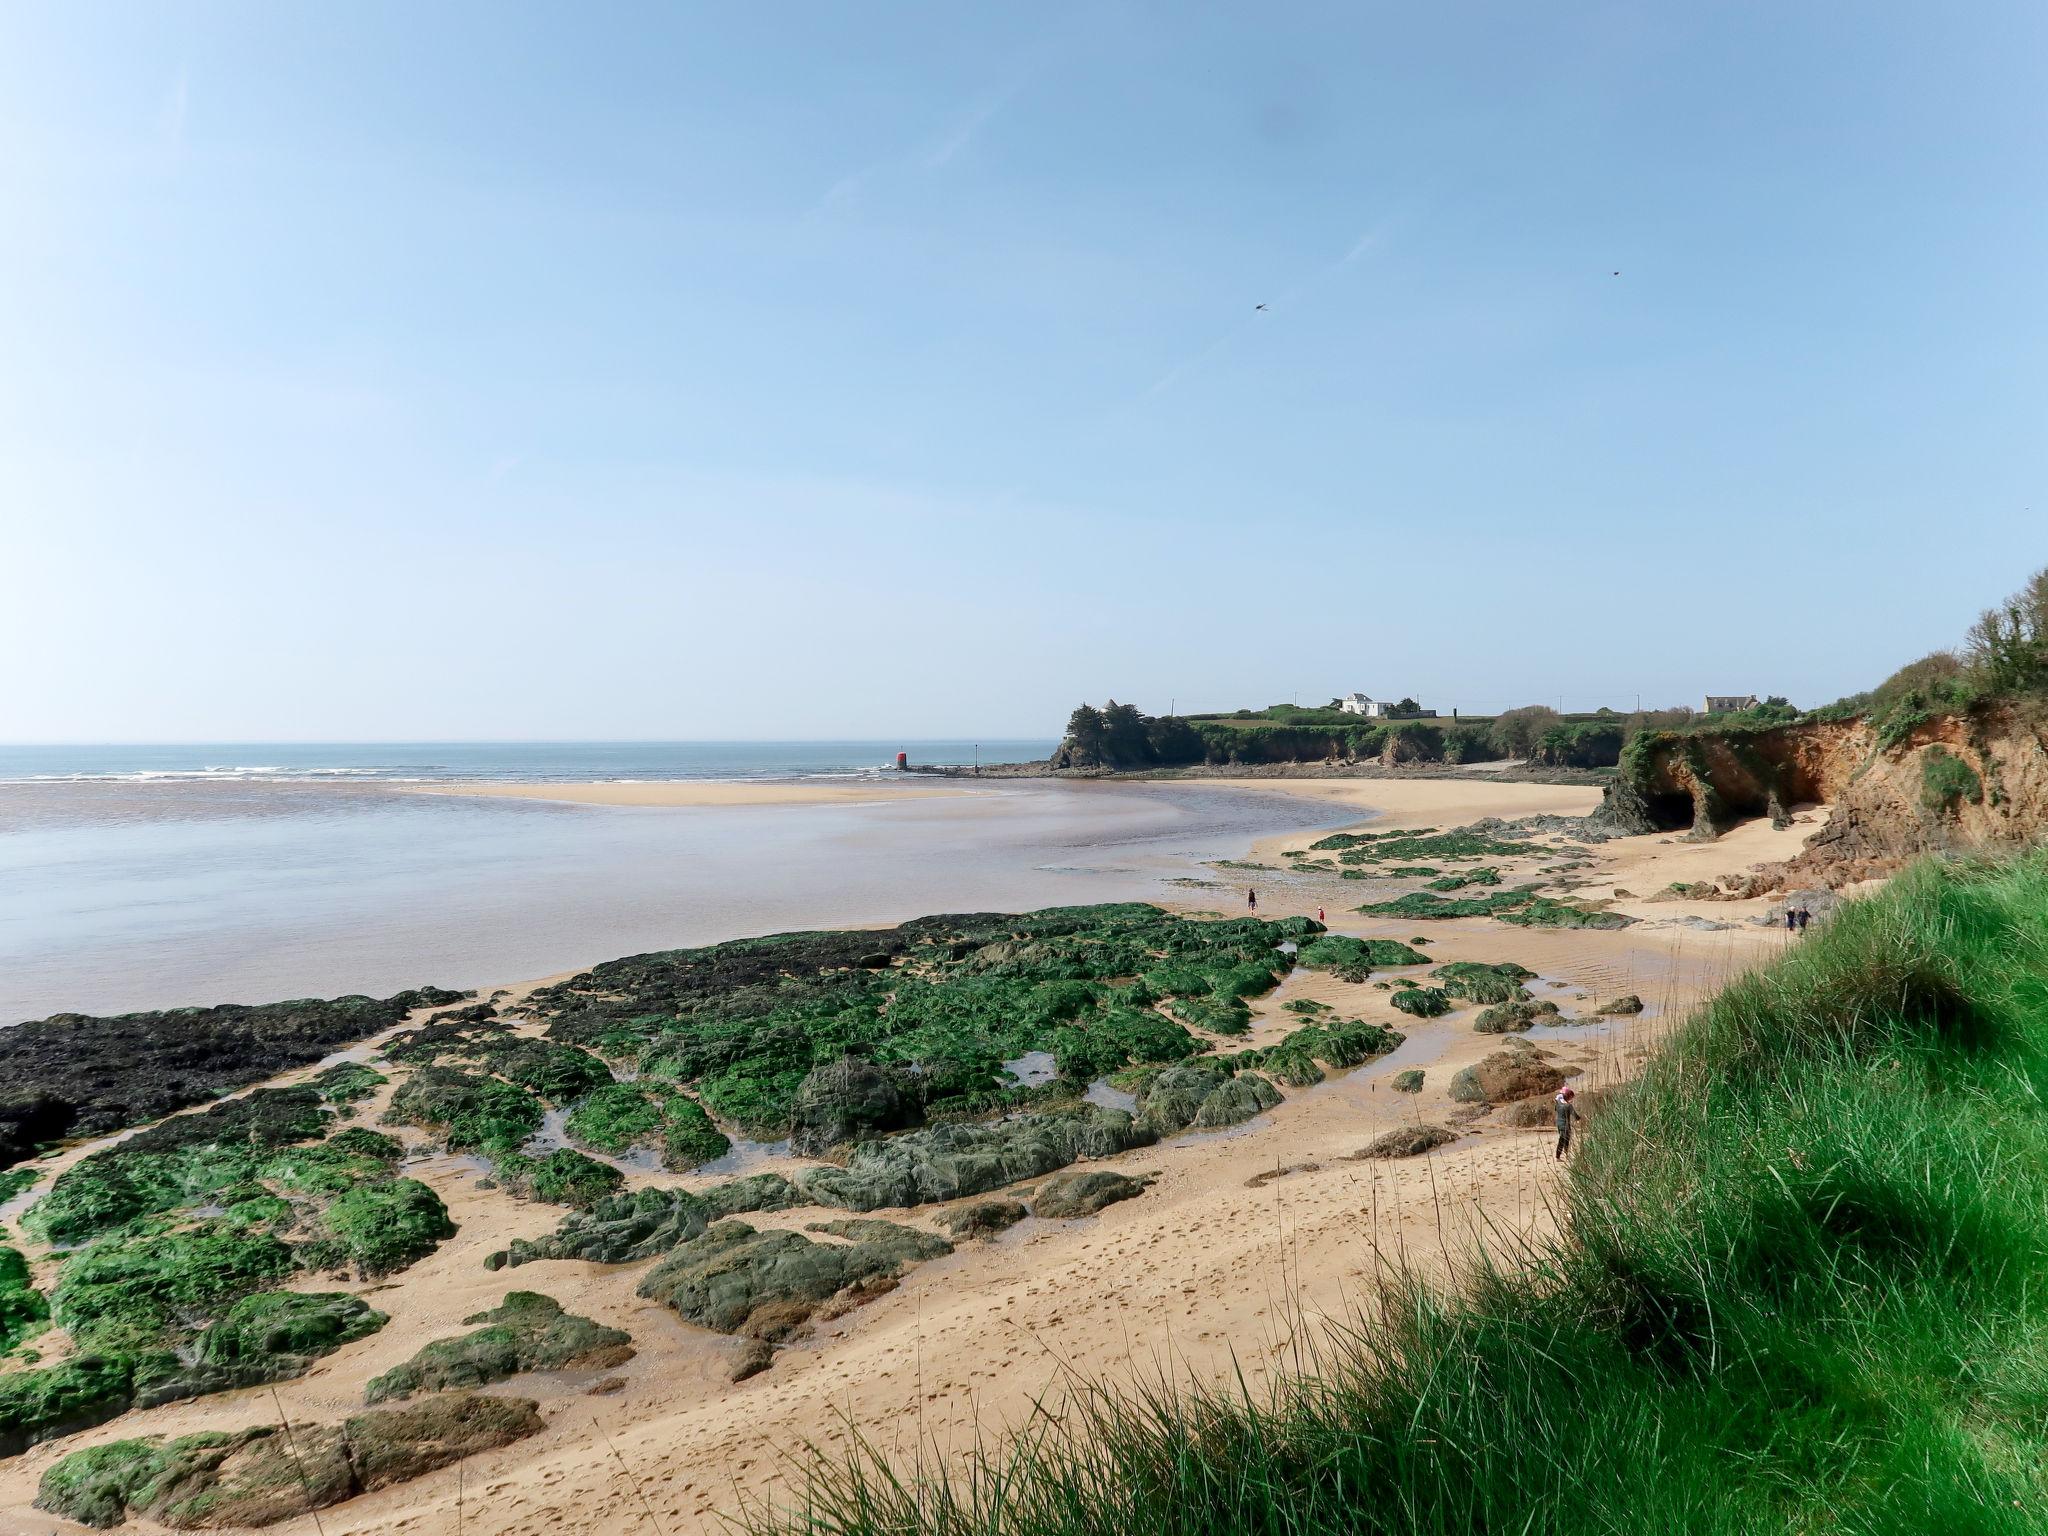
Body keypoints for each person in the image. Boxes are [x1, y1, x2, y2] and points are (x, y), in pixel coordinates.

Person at [1554, 1086, 1579, 1161]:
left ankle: (1565, 1155)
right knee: (1564, 1140)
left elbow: (1556, 1108)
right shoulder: (1569, 1106)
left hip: (1559, 1124)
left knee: (1563, 1139)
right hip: (1565, 1125)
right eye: (1571, 1098)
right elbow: (1575, 1116)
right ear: (1569, 1097)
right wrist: (1580, 1119)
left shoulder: (1558, 1104)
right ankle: (1559, 1157)